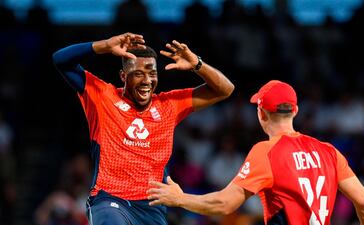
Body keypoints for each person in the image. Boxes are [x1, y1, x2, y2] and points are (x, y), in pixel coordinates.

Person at [52, 32, 234, 225]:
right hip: (110, 200)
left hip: (152, 208)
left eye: (152, 73)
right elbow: (61, 60)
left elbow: (225, 89)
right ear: (123, 76)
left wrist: (197, 64)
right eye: (139, 73)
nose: (147, 81)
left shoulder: (169, 104)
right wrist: (104, 45)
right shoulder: (103, 96)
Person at [147, 80, 364, 225]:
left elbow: (224, 205)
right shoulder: (329, 151)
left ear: (261, 113)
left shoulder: (266, 152)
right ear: (295, 111)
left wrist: (179, 199)